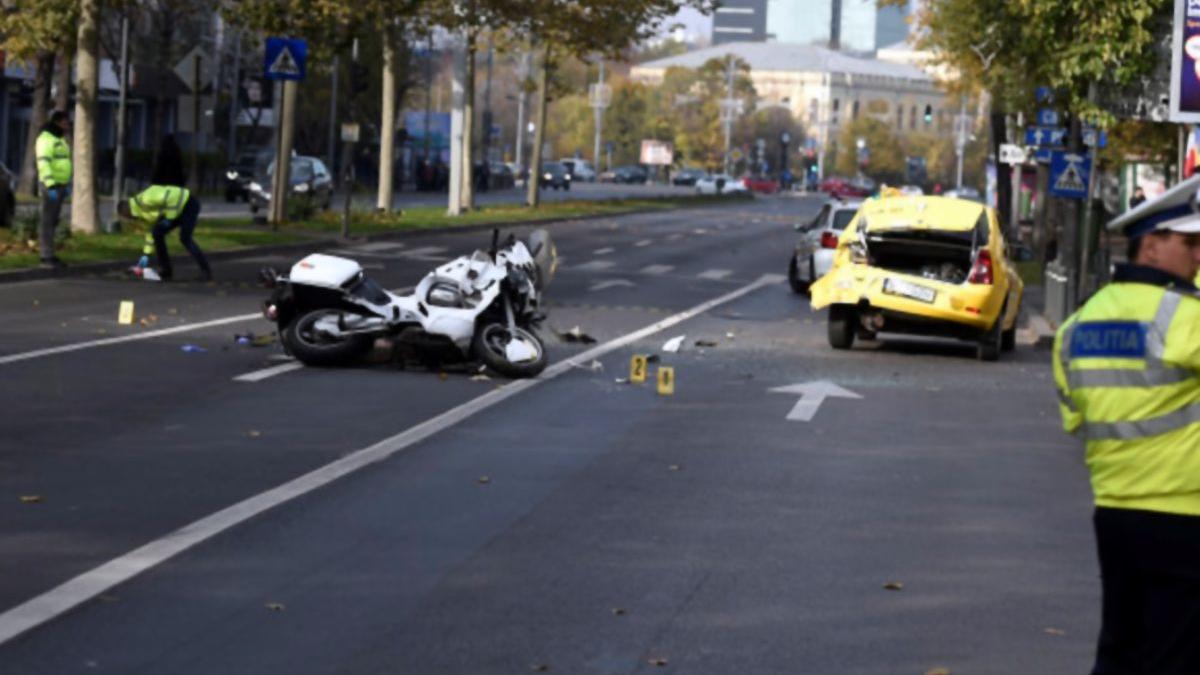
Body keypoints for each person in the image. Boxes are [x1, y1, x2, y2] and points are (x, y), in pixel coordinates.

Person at [1053, 174, 1200, 674]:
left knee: (1120, 647)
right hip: (1186, 517)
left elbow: (1077, 418)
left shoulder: (1079, 324)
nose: (1197, 255)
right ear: (1152, 247)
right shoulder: (1187, 318)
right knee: (1173, 657)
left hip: (1114, 512)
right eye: (1189, 243)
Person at [117, 183, 211, 282]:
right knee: (157, 233)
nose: (129, 220)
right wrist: (145, 255)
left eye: (126, 217)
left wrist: (170, 218)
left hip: (188, 204)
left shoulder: (146, 199)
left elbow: (172, 196)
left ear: (127, 211)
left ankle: (206, 271)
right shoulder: (140, 216)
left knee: (185, 238)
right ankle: (167, 271)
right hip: (174, 212)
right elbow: (150, 234)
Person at [35, 110, 72, 269]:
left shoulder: (59, 139)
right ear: (57, 122)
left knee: (53, 221)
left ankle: (49, 253)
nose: (67, 126)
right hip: (52, 185)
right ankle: (46, 256)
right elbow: (43, 162)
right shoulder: (46, 139)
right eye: (65, 123)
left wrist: (66, 183)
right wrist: (50, 185)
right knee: (48, 221)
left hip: (60, 185)